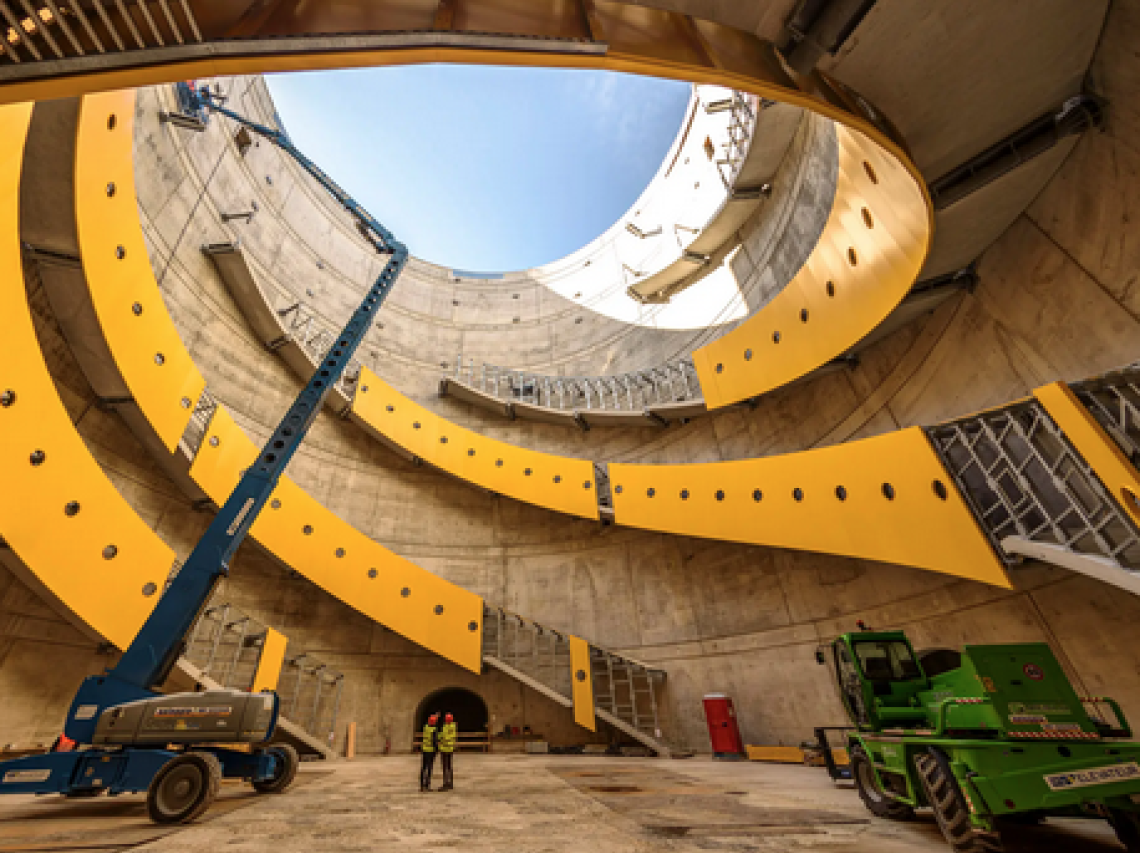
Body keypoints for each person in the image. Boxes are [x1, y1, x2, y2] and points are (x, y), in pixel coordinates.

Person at [420, 713, 439, 792]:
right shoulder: (434, 730)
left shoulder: (426, 727)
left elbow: (430, 722)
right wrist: (437, 749)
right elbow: (434, 741)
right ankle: (427, 785)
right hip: (431, 751)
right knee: (429, 768)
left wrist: (435, 716)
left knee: (423, 767)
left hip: (424, 749)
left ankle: (422, 785)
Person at [438, 712, 457, 791]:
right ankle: (449, 783)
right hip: (447, 748)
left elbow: (446, 737)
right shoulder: (448, 726)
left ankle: (446, 783)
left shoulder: (450, 727)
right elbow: (442, 734)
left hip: (446, 749)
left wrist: (441, 740)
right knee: (448, 766)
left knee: (446, 766)